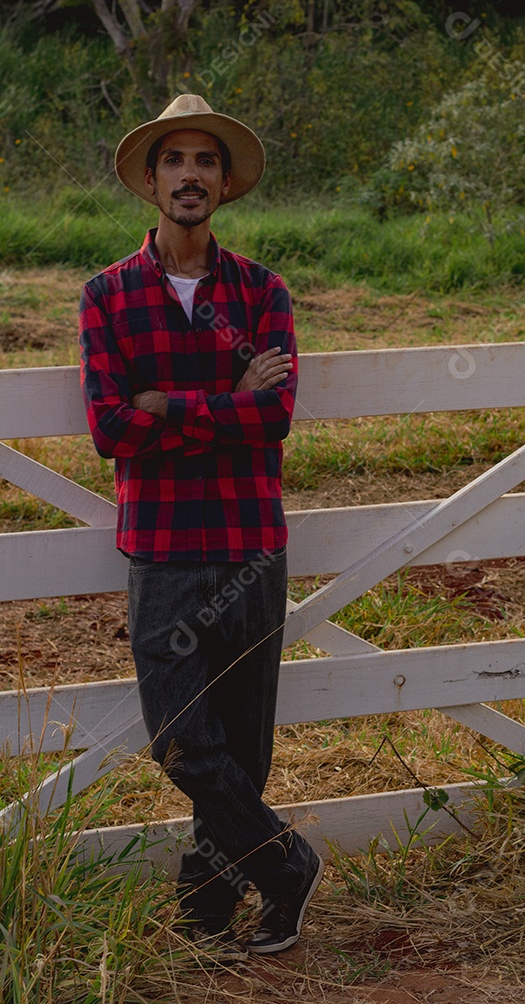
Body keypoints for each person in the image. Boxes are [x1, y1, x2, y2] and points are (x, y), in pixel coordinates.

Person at [78, 94, 323, 961]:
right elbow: (110, 428)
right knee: (181, 740)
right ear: (151, 181)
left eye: (205, 161)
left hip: (251, 543)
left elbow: (276, 416)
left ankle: (208, 907)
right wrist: (227, 402)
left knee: (243, 749)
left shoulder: (263, 291)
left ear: (223, 183)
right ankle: (287, 864)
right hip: (163, 547)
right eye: (174, 160)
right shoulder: (107, 295)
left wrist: (169, 405)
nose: (190, 175)